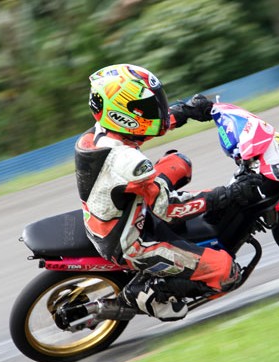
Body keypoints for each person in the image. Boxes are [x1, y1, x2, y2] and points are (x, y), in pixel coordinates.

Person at [75, 64, 264, 321]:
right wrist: (228, 194)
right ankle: (144, 293)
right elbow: (169, 209)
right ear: (121, 113)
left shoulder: (101, 134)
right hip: (132, 242)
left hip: (119, 210)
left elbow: (152, 125)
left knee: (179, 164)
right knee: (226, 273)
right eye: (147, 107)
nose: (157, 110)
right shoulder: (126, 161)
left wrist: (187, 110)